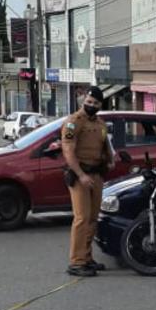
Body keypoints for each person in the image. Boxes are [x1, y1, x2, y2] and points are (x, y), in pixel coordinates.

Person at [61, 86, 114, 277]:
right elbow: (68, 150)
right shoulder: (74, 122)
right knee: (81, 218)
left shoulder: (100, 123)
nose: (91, 105)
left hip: (96, 173)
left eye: (96, 103)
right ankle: (76, 262)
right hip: (80, 175)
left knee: (92, 218)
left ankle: (86, 257)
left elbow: (105, 143)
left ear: (100, 105)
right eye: (89, 102)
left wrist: (110, 159)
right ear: (84, 101)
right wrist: (81, 175)